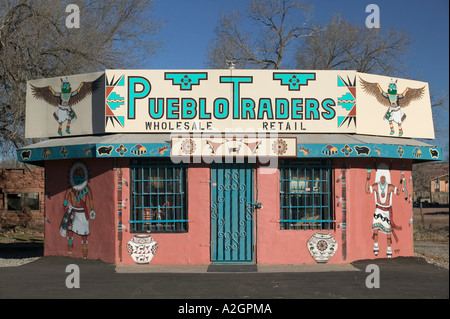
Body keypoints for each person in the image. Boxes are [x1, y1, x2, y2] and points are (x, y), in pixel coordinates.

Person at [365, 163, 403, 258]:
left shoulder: (390, 186)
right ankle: (376, 246)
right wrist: (368, 179)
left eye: (384, 177)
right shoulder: (376, 186)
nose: (382, 179)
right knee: (376, 229)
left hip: (386, 211)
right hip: (378, 209)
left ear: (386, 177)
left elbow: (398, 192)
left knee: (388, 232)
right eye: (381, 177)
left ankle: (389, 249)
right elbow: (367, 190)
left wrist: (401, 180)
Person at [60, 162, 95, 258]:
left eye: (80, 176)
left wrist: (92, 209)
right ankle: (70, 244)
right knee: (70, 230)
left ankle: (84, 247)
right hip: (73, 211)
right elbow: (66, 199)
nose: (78, 178)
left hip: (83, 213)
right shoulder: (71, 190)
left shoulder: (87, 189)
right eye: (76, 176)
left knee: (84, 232)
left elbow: (90, 200)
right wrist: (64, 206)